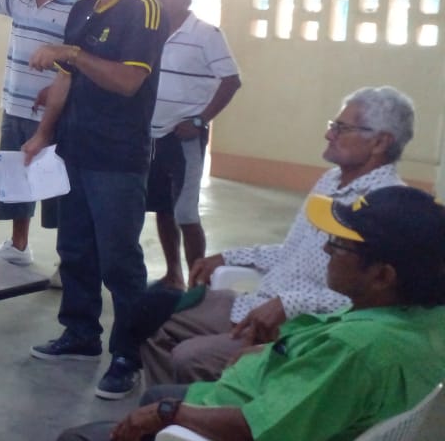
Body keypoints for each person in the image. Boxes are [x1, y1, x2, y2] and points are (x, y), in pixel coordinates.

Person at [58, 185, 445, 441]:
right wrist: (271, 352)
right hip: (268, 394)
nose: (327, 250)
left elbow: (256, 428)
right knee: (156, 386)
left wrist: (166, 413)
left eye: (340, 245)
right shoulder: (424, 319)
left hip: (244, 418)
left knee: (81, 436)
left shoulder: (355, 350)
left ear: (382, 275)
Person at [138, 86, 415, 386]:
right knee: (153, 320)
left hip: (301, 328)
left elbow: (367, 301)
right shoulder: (331, 180)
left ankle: (205, 407)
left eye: (341, 128)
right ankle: (170, 409)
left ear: (379, 142)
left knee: (189, 356)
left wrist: (289, 303)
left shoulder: (386, 206)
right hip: (260, 302)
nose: (329, 134)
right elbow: (292, 251)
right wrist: (227, 257)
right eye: (332, 125)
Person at [19, 0, 166, 400]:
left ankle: (128, 354)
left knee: (119, 261)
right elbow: (66, 77)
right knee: (75, 249)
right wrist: (43, 134)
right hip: (75, 150)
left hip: (117, 159)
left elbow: (128, 81)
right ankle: (81, 333)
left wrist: (73, 54)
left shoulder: (143, 10)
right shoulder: (84, 9)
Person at [0, 0, 82, 266]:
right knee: (16, 179)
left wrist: (56, 87)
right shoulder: (19, 0)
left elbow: (79, 59)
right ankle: (19, 246)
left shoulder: (77, 7)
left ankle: (66, 261)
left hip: (52, 112)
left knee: (56, 186)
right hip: (14, 106)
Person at [146, 0, 243, 289]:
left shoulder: (206, 34)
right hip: (152, 136)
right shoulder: (151, 31)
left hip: (184, 137)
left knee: (186, 213)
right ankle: (173, 274)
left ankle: (197, 284)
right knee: (162, 208)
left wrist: (200, 120)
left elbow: (231, 80)